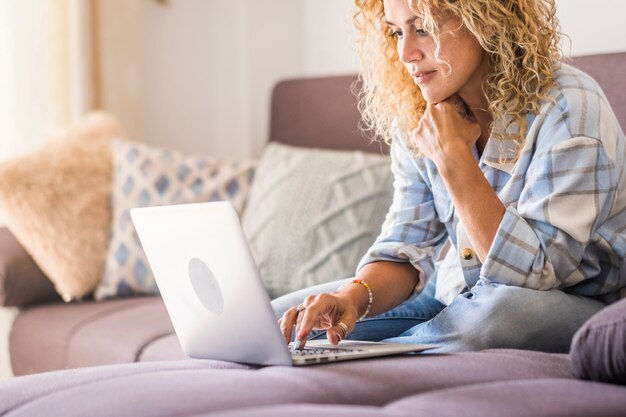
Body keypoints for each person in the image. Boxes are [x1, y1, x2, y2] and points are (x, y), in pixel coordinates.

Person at [272, 0, 626, 353]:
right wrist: (351, 298)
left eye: (423, 27)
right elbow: (405, 247)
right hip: (461, 294)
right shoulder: (419, 113)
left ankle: (375, 357)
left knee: (496, 314)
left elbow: (535, 273)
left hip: (572, 304)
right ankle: (385, 352)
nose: (405, 52)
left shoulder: (568, 109)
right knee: (278, 319)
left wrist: (454, 158)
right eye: (396, 32)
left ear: (487, 20)